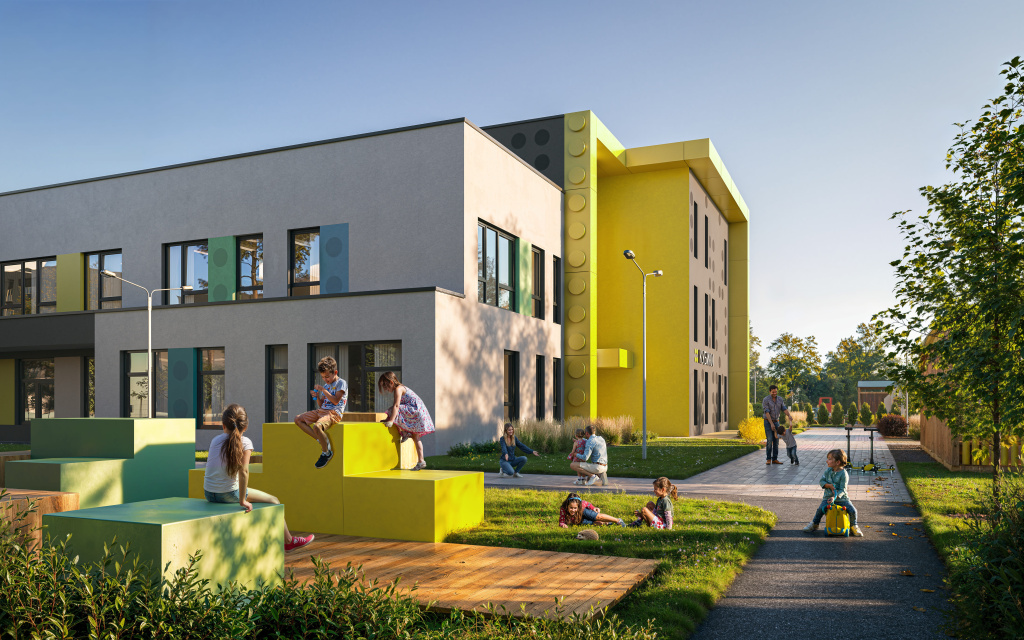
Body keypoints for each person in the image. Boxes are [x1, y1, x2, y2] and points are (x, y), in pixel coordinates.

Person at [205, 404, 314, 551]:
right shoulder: (245, 442)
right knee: (274, 501)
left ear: (223, 425)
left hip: (209, 493)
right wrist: (242, 500)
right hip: (228, 494)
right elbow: (243, 472)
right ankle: (288, 541)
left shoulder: (215, 440)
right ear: (246, 426)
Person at [294, 356, 348, 469]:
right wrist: (317, 396)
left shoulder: (341, 383)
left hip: (333, 413)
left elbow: (335, 400)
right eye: (323, 377)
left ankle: (326, 453)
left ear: (335, 372)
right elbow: (321, 404)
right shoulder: (326, 385)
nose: (325, 379)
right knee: (298, 419)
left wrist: (323, 390)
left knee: (317, 427)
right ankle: (320, 439)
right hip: (321, 411)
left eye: (327, 376)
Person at [378, 371, 434, 470]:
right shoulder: (402, 388)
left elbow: (396, 406)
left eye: (386, 386)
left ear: (391, 382)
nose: (386, 389)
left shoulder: (398, 389)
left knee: (393, 410)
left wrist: (390, 420)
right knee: (416, 437)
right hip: (418, 411)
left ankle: (404, 433)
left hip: (415, 410)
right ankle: (421, 461)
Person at [803, 448, 863, 536]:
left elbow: (843, 489)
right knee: (820, 510)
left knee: (853, 510)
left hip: (842, 499)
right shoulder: (828, 471)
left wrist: (835, 497)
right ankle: (815, 524)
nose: (827, 461)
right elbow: (821, 481)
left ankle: (854, 526)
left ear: (837, 462)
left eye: (830, 459)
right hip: (828, 498)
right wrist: (828, 485)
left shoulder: (844, 474)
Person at [762, 385, 795, 466]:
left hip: (776, 421)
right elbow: (767, 412)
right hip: (767, 421)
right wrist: (771, 424)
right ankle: (768, 459)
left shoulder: (780, 399)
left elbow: (784, 408)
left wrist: (789, 415)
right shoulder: (766, 400)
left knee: (776, 441)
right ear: (770, 391)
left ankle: (775, 459)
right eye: (773, 392)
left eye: (776, 392)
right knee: (770, 440)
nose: (775, 393)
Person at [558, 493, 626, 528]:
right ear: (567, 505)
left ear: (578, 506)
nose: (573, 510)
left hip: (584, 512)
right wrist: (562, 524)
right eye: (571, 508)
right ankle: (609, 523)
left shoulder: (582, 505)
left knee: (599, 517)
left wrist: (593, 508)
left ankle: (618, 520)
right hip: (579, 520)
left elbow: (587, 504)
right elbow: (561, 521)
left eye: (575, 508)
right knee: (599, 523)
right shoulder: (563, 509)